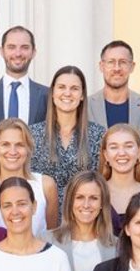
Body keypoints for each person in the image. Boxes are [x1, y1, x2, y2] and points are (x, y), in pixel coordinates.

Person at [30, 65, 105, 200]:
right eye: (61, 87)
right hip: (43, 217)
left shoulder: (98, 135)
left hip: (83, 215)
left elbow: (102, 181)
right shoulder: (32, 134)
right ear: (52, 93)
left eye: (74, 88)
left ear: (82, 95)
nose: (67, 93)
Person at [0, 118, 58, 237]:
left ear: (28, 149)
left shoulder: (45, 185)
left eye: (19, 145)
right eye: (6, 144)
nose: (13, 151)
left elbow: (51, 233)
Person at [49, 171, 116, 271]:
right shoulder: (47, 242)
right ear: (70, 202)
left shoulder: (118, 246)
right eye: (79, 197)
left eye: (93, 198)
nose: (86, 205)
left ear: (102, 203)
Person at [99, 124, 140, 234]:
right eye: (114, 147)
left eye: (128, 146)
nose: (122, 153)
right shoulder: (95, 194)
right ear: (106, 155)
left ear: (139, 152)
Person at [0, 26, 49, 125]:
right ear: (2, 51)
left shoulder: (47, 95)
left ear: (33, 52)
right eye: (11, 47)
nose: (18, 54)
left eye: (25, 47)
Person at [87, 40, 140, 130]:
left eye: (123, 62)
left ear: (132, 66)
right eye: (111, 62)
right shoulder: (86, 106)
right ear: (101, 66)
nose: (117, 68)